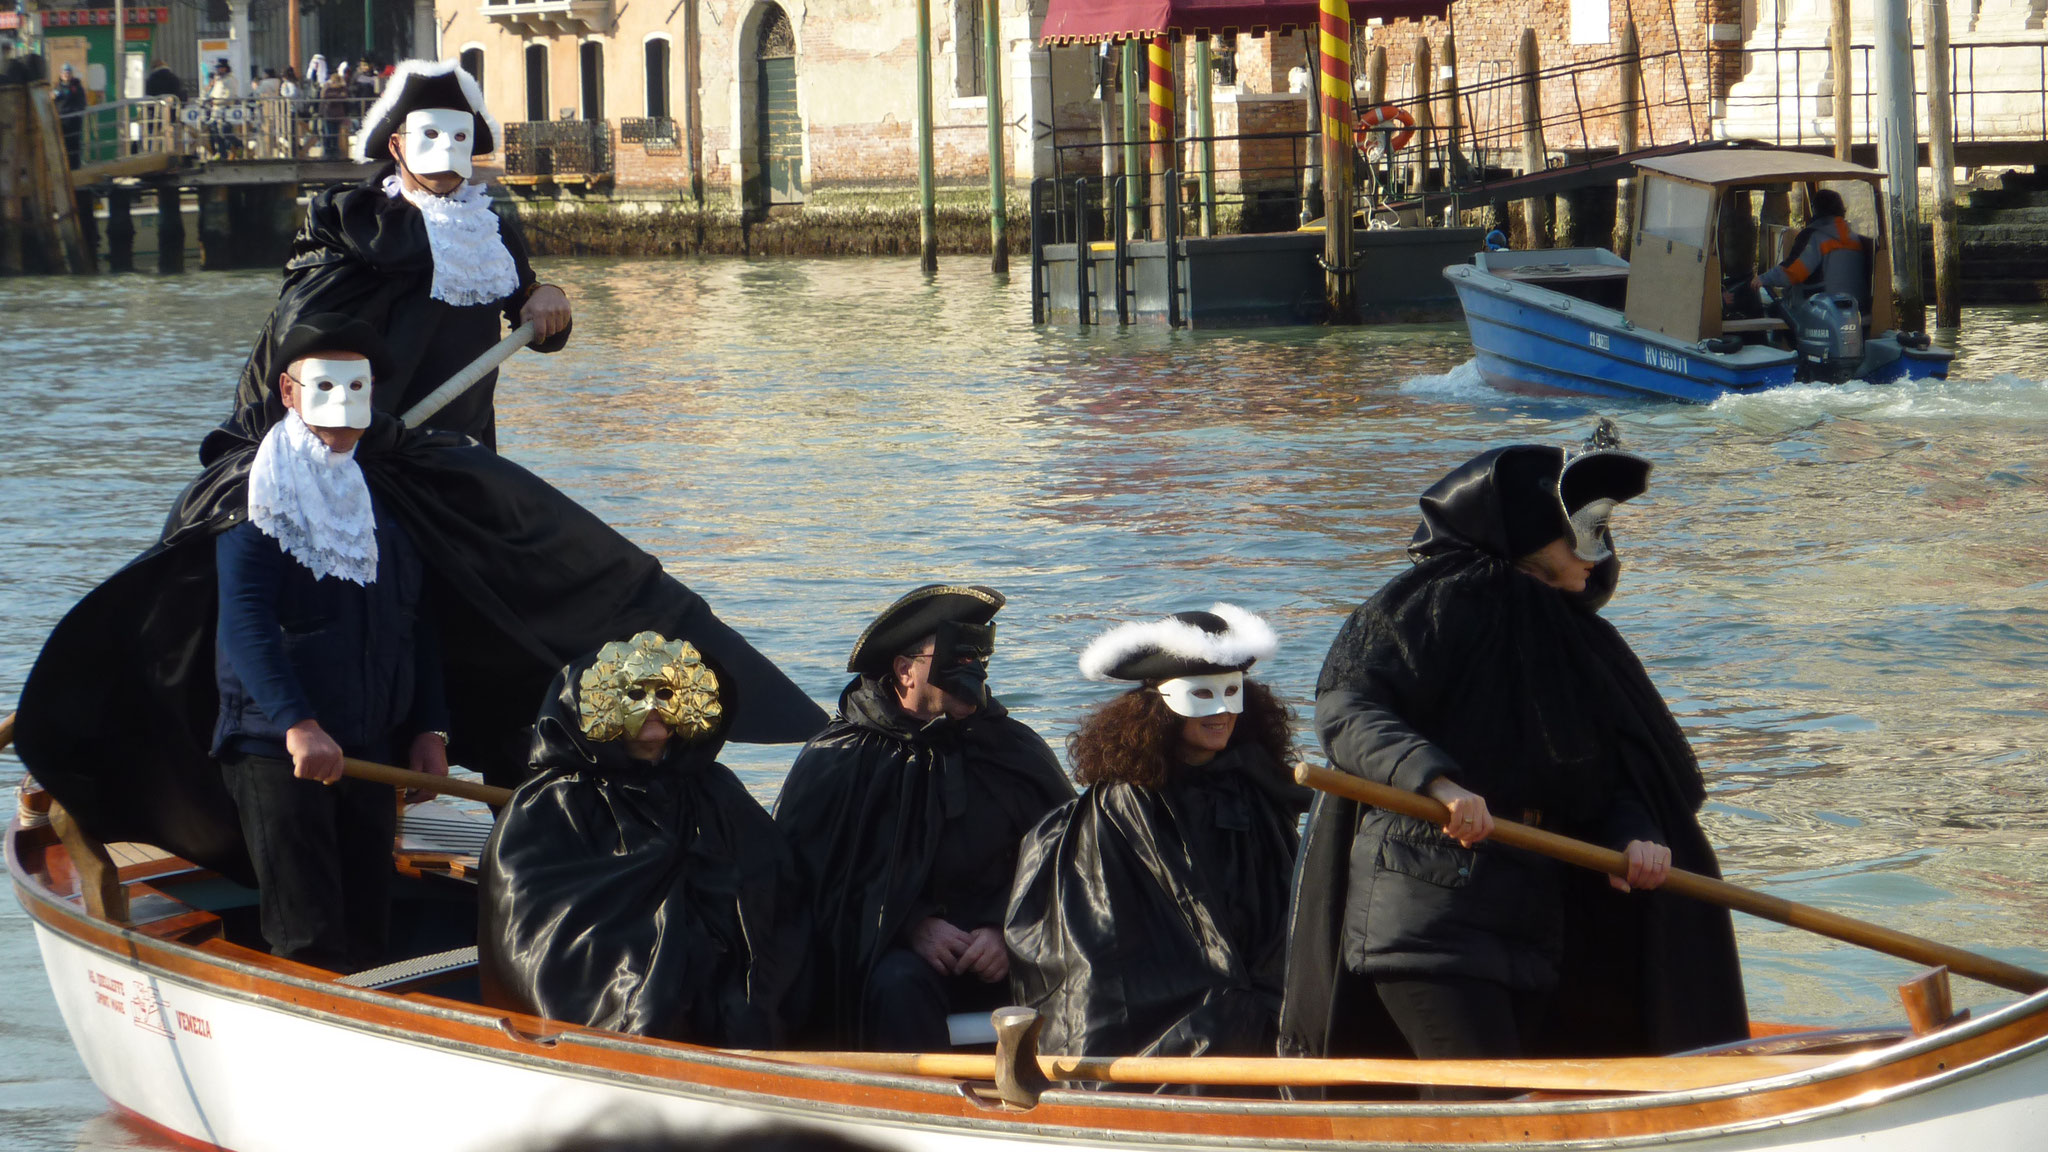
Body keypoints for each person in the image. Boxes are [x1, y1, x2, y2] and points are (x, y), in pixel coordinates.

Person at [1280, 438, 1748, 1078]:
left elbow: (1609, 764)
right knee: (1488, 1099)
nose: (1601, 553)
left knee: (1503, 1098)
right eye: (1584, 533)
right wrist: (1437, 784)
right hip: (1428, 905)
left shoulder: (1575, 637)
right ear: (1535, 533)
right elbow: (1348, 709)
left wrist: (1636, 834)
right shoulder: (1431, 602)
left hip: (1535, 916)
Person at [212, 313, 448, 971]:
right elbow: (244, 620)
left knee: (370, 927)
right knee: (308, 937)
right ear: (288, 392)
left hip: (370, 747)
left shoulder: (389, 496)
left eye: (356, 388)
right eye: (323, 387)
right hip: (277, 750)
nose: (341, 408)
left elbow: (417, 620)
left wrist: (430, 728)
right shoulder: (252, 496)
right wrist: (297, 724)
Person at [774, 585, 1075, 1051]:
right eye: (957, 658)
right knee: (895, 986)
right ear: (905, 670)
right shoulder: (842, 759)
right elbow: (810, 885)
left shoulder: (1014, 750)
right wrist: (910, 926)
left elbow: (1070, 861)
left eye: (979, 657)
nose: (973, 671)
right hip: (894, 961)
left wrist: (1006, 931)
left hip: (1011, 949)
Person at [1007, 605, 1308, 1068]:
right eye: (1202, 695)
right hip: (1167, 993)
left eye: (1232, 692)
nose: (1222, 711)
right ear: (1158, 707)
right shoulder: (1126, 805)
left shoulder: (1254, 784)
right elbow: (1109, 940)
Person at [480, 632, 811, 1046]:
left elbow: (771, 893)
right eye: (635, 693)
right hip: (612, 999)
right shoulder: (553, 806)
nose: (653, 708)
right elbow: (543, 928)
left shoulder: (713, 790)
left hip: (726, 998)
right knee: (655, 1006)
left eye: (667, 692)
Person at [233, 58, 573, 449]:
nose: (446, 149)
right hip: (367, 443)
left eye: (459, 137)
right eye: (430, 134)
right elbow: (302, 327)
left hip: (462, 446)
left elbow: (535, 324)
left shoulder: (488, 228)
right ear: (396, 145)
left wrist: (546, 296)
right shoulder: (352, 221)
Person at [1750, 188, 1871, 311]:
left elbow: (1794, 272)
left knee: (1772, 310)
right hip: (1857, 308)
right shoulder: (1854, 238)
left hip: (1823, 309)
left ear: (1815, 209)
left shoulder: (1814, 236)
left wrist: (1763, 279)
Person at [53, 63, 86, 168]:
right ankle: (65, 167)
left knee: (74, 145)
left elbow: (82, 103)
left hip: (74, 122)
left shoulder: (76, 87)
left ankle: (75, 167)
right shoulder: (57, 88)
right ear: (61, 74)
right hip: (62, 122)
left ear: (71, 74)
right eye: (64, 73)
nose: (66, 75)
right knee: (63, 145)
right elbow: (53, 103)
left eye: (68, 73)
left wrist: (73, 112)